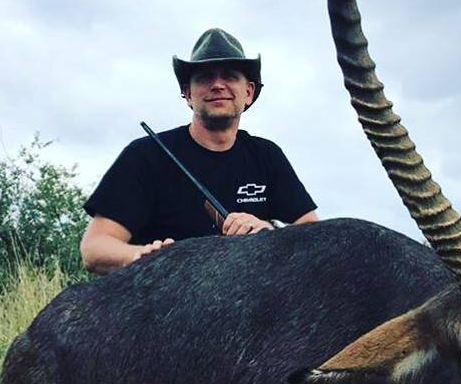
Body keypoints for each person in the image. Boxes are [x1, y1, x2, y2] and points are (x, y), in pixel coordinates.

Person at [81, 28, 318, 273]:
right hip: (164, 301)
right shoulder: (145, 156)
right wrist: (145, 256)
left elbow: (315, 235)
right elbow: (94, 248)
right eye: (205, 77)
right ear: (187, 94)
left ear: (248, 92)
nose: (217, 85)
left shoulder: (267, 156)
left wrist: (268, 232)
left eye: (229, 76)